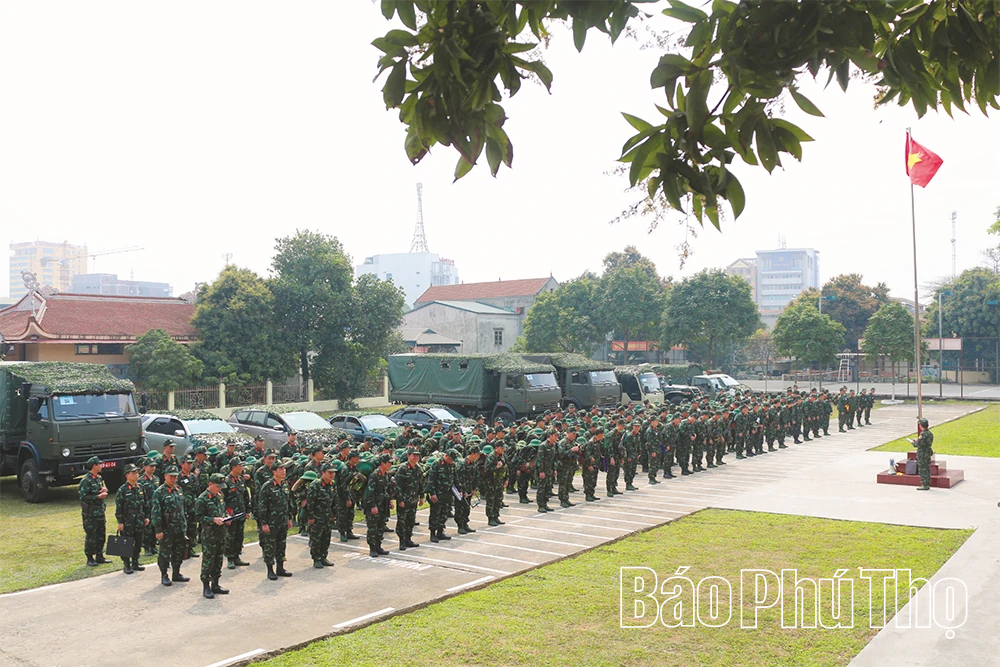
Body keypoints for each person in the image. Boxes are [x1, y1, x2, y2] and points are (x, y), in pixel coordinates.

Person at [151, 465, 189, 586]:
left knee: (178, 552)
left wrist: (184, 526)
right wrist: (158, 530)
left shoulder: (179, 489)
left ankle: (176, 573)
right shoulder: (159, 493)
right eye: (171, 476)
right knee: (164, 553)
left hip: (179, 527)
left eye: (175, 476)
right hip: (166, 529)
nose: (173, 479)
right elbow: (156, 513)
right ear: (165, 476)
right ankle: (164, 575)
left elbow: (183, 509)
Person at [258, 460, 293, 580]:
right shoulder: (267, 487)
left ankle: (280, 567)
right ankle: (270, 570)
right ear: (274, 472)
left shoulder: (284, 484)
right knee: (270, 546)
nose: (283, 471)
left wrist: (290, 518)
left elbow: (288, 503)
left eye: (284, 469)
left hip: (283, 521)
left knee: (281, 545)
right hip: (271, 522)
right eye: (280, 469)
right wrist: (264, 523)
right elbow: (262, 506)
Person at [196, 473, 230, 598]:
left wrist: (226, 517)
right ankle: (206, 586)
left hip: (220, 533)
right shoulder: (202, 499)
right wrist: (212, 520)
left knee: (218, 559)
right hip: (209, 535)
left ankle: (216, 584)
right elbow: (198, 517)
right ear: (210, 484)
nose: (219, 489)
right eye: (217, 486)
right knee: (208, 561)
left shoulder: (219, 496)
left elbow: (223, 509)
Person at [114, 463, 147, 574]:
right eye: (133, 473)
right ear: (127, 475)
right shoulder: (122, 490)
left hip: (139, 519)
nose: (136, 474)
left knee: (139, 541)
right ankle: (126, 564)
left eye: (137, 472)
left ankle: (135, 562)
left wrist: (146, 516)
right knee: (126, 542)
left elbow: (145, 504)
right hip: (128, 520)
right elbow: (119, 507)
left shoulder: (140, 488)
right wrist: (120, 522)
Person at [79, 456, 110, 567]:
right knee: (91, 536)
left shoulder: (99, 478)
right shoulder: (86, 481)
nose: (101, 466)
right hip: (90, 513)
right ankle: (90, 557)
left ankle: (99, 555)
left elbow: (104, 488)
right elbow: (83, 497)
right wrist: (98, 496)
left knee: (101, 534)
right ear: (94, 466)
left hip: (100, 511)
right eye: (99, 464)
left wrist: (104, 490)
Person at [305, 465, 336, 567]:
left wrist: (334, 514)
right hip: (317, 517)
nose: (332, 475)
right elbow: (310, 503)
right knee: (316, 539)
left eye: (333, 472)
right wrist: (311, 517)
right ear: (323, 473)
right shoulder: (315, 485)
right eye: (329, 472)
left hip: (327, 516)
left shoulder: (332, 485)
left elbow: (334, 501)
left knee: (326, 538)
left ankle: (323, 556)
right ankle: (316, 558)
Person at [363, 454, 393, 558]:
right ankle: (372, 548)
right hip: (374, 506)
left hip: (383, 505)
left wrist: (390, 501)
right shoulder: (374, 475)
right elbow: (370, 492)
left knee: (381, 526)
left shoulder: (385, 475)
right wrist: (373, 506)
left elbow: (387, 490)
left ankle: (378, 546)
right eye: (389, 463)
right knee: (373, 527)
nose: (390, 464)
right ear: (382, 463)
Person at [393, 448, 423, 548]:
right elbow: (398, 486)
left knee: (411, 520)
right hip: (404, 500)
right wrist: (400, 500)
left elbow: (421, 484)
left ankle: (408, 539)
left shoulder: (418, 468)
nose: (416, 457)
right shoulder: (403, 468)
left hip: (414, 499)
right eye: (413, 455)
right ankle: (402, 540)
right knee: (402, 520)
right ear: (408, 456)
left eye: (417, 455)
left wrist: (421, 497)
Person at [224, 459, 250, 569]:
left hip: (241, 512)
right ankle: (230, 558)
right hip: (231, 513)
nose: (242, 468)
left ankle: (237, 556)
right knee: (230, 536)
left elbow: (245, 497)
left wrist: (247, 511)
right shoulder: (226, 481)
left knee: (239, 536)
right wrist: (225, 515)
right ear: (233, 467)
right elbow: (222, 499)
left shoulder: (241, 480)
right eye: (240, 466)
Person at [426, 449, 456, 542]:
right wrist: (432, 494)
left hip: (447, 494)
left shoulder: (452, 465)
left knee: (444, 513)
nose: (452, 461)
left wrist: (459, 490)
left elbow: (455, 478)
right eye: (451, 458)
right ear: (446, 456)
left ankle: (440, 532)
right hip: (437, 494)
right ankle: (432, 534)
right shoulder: (437, 464)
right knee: (435, 514)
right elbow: (431, 480)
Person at [178, 457, 200, 560]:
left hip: (192, 506)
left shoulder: (193, 477)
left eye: (191, 463)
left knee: (192, 528)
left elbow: (197, 491)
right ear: (182, 464)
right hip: (183, 507)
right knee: (183, 528)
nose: (190, 465)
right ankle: (182, 549)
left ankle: (190, 548)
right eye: (188, 463)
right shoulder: (178, 477)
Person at [139, 455, 160, 556]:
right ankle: (147, 547)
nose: (153, 468)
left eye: (154, 466)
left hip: (155, 506)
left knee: (154, 526)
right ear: (145, 467)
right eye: (150, 466)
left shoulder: (156, 479)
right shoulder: (141, 481)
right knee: (147, 528)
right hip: (146, 506)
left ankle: (153, 545)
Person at [909, 418, 934, 491]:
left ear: (921, 426)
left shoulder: (922, 434)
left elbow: (918, 445)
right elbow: (926, 442)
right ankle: (927, 483)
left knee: (922, 469)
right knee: (927, 468)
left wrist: (913, 442)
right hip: (927, 452)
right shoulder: (929, 433)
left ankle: (924, 484)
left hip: (922, 453)